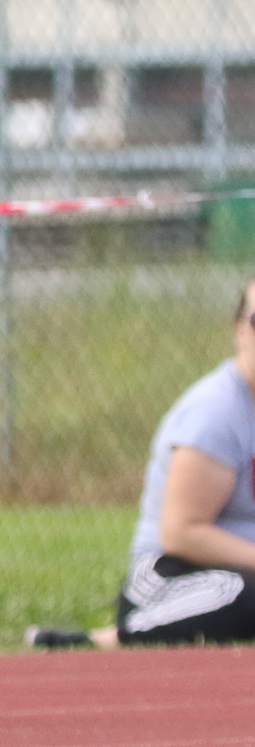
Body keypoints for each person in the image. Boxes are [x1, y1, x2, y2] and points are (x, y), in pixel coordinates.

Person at [32, 278, 255, 651]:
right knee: (247, 595)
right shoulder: (216, 412)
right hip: (174, 575)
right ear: (239, 330)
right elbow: (183, 533)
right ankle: (118, 635)